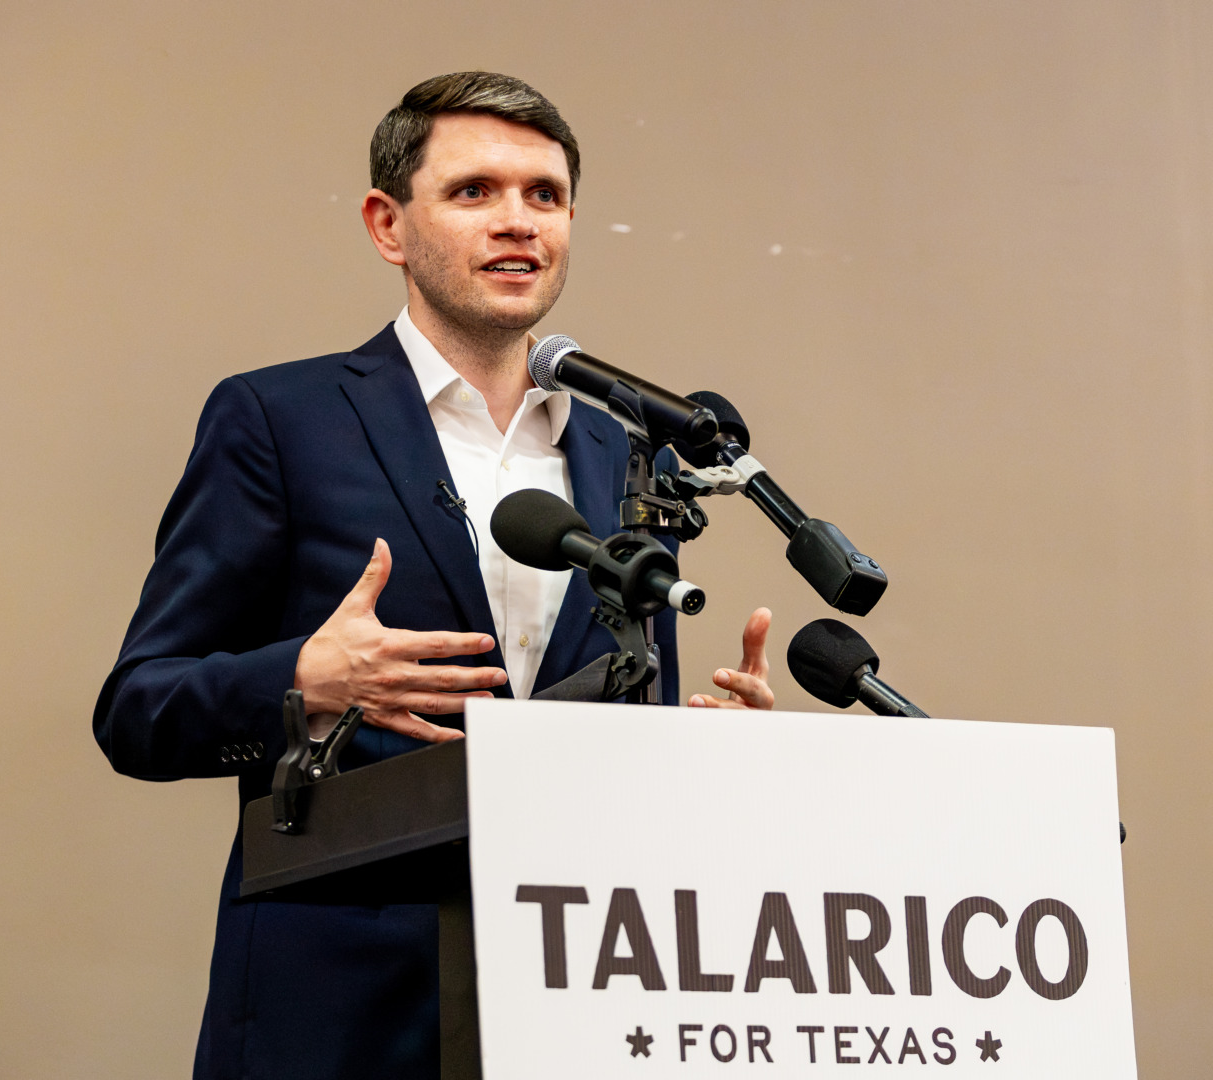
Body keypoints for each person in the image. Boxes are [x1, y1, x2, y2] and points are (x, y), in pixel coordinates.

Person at [94, 71, 774, 1080]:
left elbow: (603, 737)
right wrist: (303, 682)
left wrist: (691, 757)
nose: (518, 222)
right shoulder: (281, 422)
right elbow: (137, 711)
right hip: (345, 1014)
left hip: (577, 1002)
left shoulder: (631, 457)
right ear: (388, 224)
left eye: (544, 195)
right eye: (474, 192)